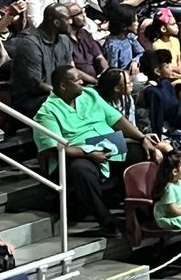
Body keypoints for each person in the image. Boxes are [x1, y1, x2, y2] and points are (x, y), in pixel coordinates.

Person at [32, 65, 168, 234]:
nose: (82, 81)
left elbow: (117, 119)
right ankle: (106, 221)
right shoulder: (47, 112)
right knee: (81, 170)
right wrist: (88, 153)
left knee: (143, 152)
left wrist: (142, 138)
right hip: (76, 154)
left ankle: (148, 210)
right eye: (76, 80)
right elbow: (56, 148)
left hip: (107, 144)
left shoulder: (90, 94)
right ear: (63, 85)